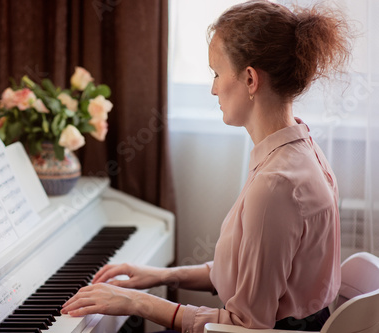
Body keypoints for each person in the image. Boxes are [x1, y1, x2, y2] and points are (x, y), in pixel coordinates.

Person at [61, 0, 353, 331]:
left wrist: (137, 303)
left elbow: (246, 326)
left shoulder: (277, 185)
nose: (213, 87)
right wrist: (161, 276)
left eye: (216, 73)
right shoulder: (299, 150)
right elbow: (251, 270)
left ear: (250, 79)